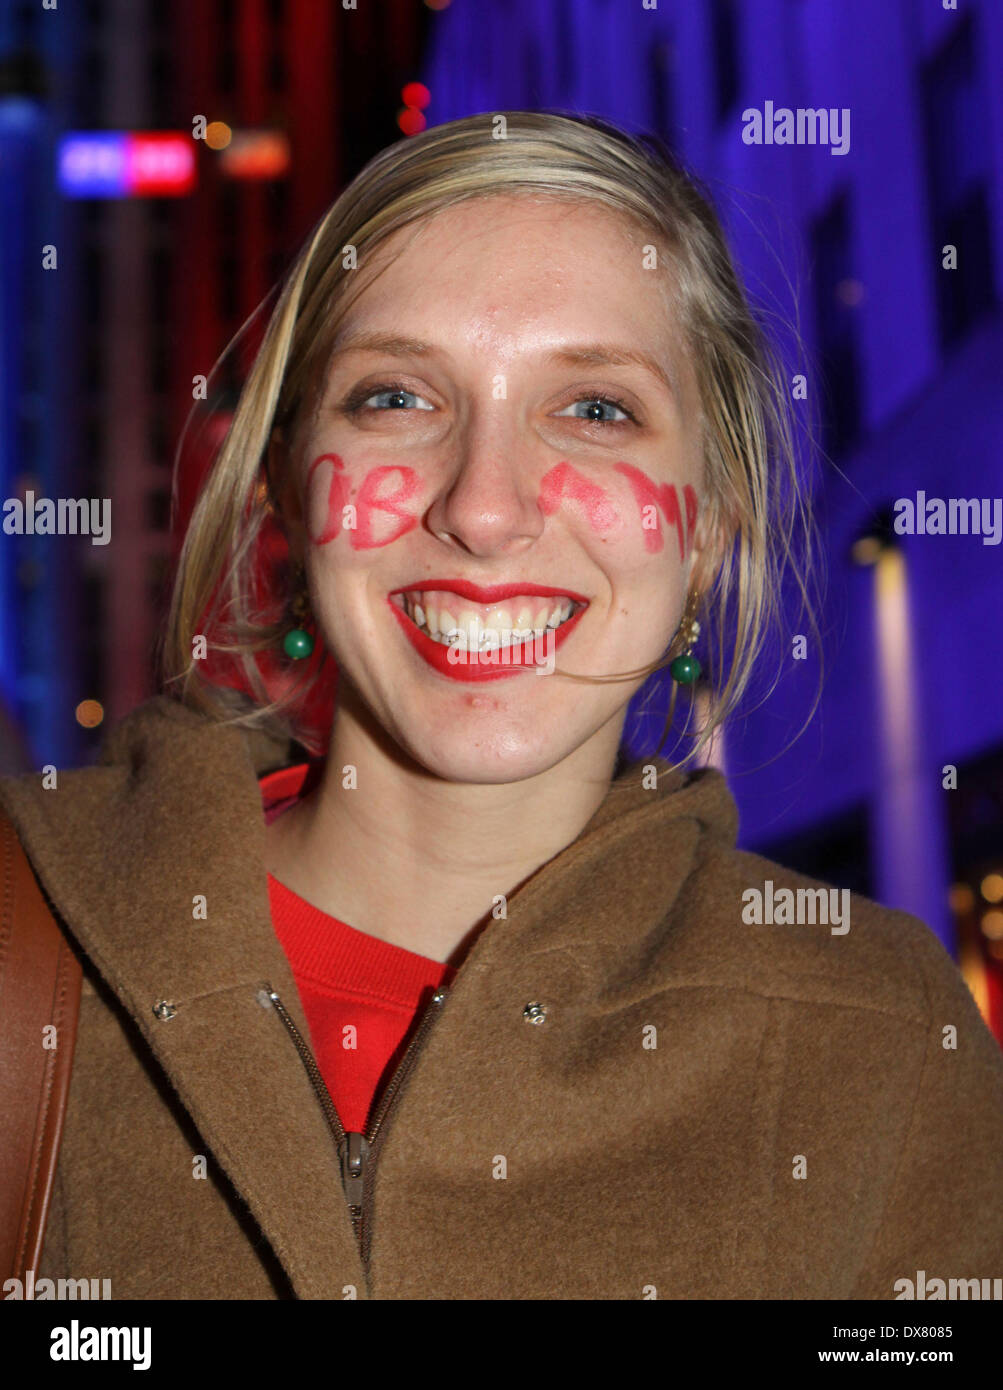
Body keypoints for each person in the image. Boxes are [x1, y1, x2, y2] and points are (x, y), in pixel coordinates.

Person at [2, 111, 1001, 1301]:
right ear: (283, 488)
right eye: (393, 397)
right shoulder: (29, 937)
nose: (483, 507)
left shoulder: (879, 1037)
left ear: (710, 523)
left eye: (594, 408)